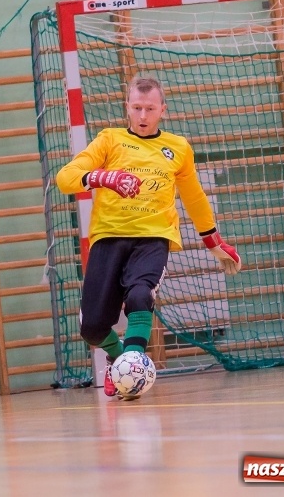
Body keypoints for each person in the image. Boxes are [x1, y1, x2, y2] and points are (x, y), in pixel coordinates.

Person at [56, 75, 241, 401]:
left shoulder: (178, 148)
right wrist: (105, 177)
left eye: (150, 109)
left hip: (153, 238)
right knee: (93, 328)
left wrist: (213, 240)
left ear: (162, 110)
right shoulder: (109, 140)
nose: (143, 116)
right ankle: (118, 359)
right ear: (127, 107)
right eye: (137, 108)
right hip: (109, 237)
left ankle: (133, 366)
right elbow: (65, 178)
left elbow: (194, 197)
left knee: (140, 296)